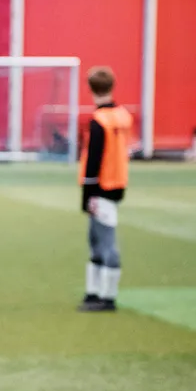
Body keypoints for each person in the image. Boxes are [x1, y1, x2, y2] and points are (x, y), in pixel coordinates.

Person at [78, 66, 132, 313]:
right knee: (96, 238)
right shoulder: (123, 116)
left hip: (102, 186)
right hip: (118, 183)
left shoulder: (99, 120)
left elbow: (93, 160)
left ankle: (107, 297)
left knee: (106, 242)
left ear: (91, 89)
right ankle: (93, 292)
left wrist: (87, 194)